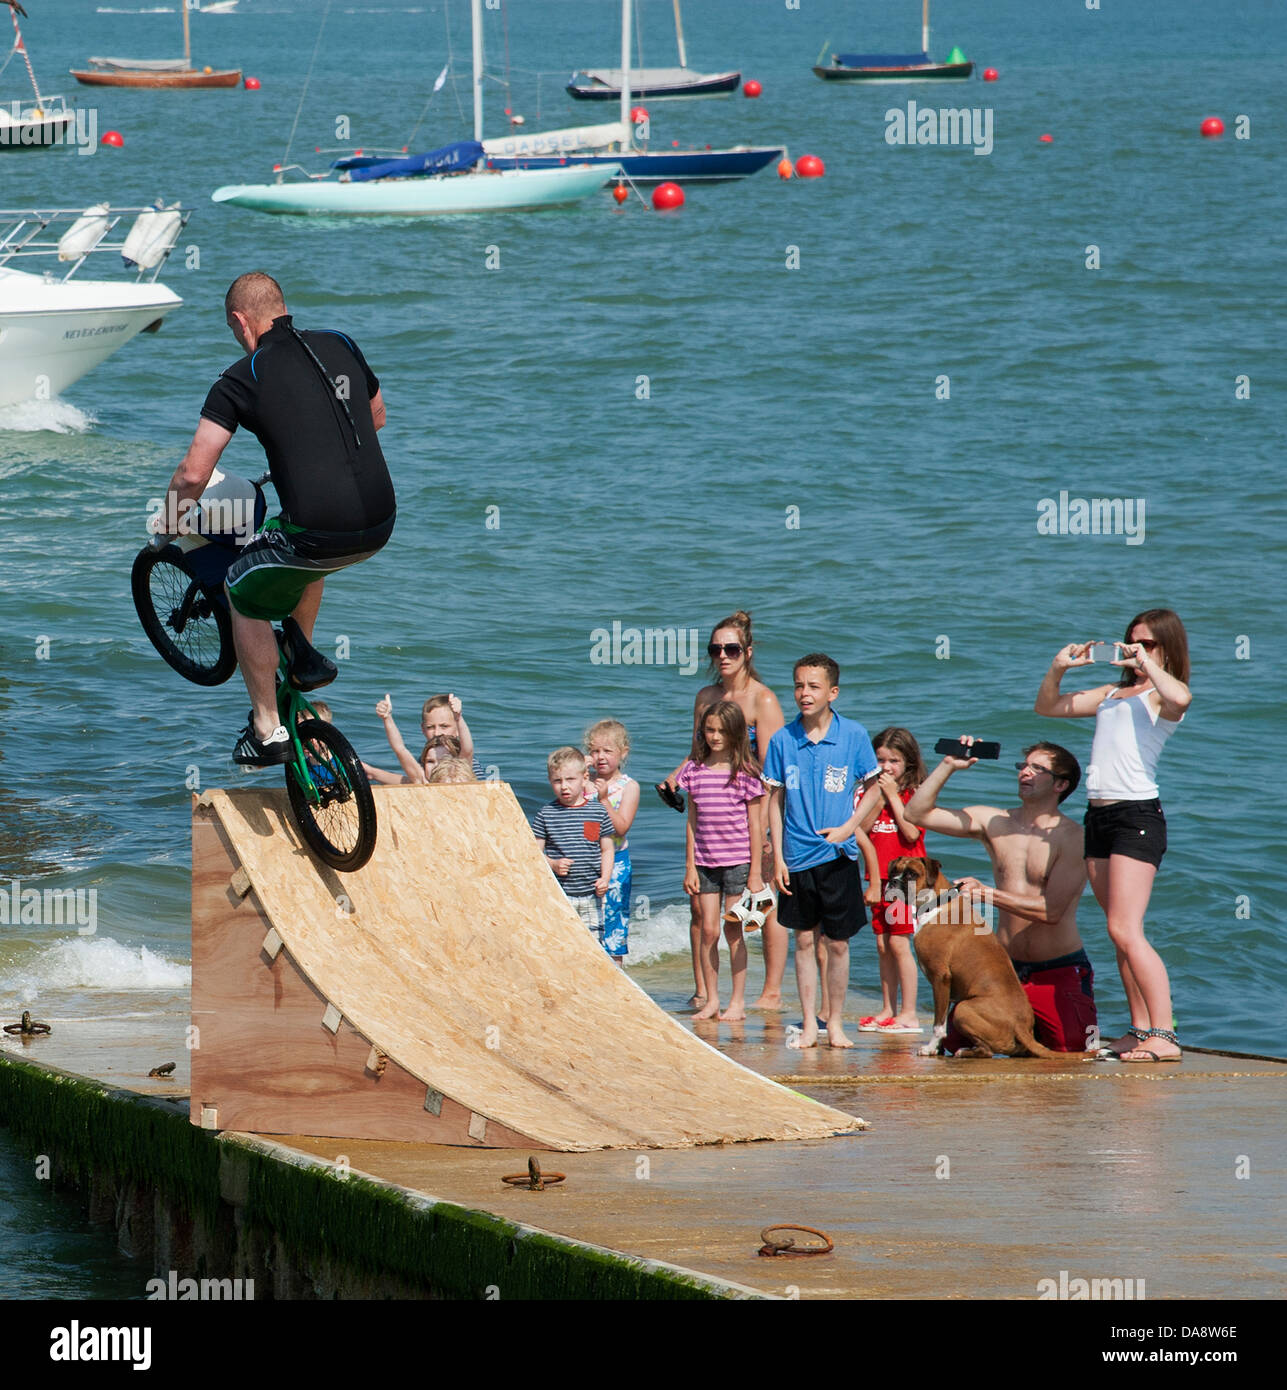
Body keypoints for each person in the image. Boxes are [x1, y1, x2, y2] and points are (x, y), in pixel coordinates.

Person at [153, 272, 395, 766]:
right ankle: (301, 652)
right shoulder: (341, 343)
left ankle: (266, 728)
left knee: (243, 586)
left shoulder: (242, 376)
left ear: (241, 321)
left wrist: (168, 525)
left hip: (322, 531)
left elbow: (194, 471)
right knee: (302, 547)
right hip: (381, 521)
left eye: (232, 328)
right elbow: (376, 416)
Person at [1034, 610, 1191, 1062]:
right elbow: (1047, 707)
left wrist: (1150, 665)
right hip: (1098, 816)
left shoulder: (1161, 697)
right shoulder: (1111, 693)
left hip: (1136, 816)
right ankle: (1140, 1031)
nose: (1135, 649)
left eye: (1148, 643)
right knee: (1118, 932)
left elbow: (1182, 694)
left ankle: (1165, 1034)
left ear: (1165, 648)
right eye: (1131, 641)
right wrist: (1059, 667)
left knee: (1126, 929)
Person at [905, 739, 1097, 1054]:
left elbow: (1052, 912)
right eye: (1023, 766)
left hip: (1056, 969)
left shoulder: (1073, 838)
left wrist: (987, 894)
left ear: (1061, 784)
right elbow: (916, 812)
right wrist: (949, 766)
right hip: (1002, 971)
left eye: (1038, 768)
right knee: (956, 1043)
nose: (1025, 772)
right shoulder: (994, 821)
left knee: (1072, 1049)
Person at [663, 611, 787, 1009]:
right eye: (715, 649)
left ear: (747, 652)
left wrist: (767, 832)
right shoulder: (706, 697)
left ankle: (769, 992)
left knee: (759, 908)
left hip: (752, 811)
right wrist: (676, 776)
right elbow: (699, 752)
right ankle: (704, 991)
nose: (722, 656)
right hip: (711, 809)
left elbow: (771, 770)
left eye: (731, 648)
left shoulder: (763, 699)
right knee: (701, 911)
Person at [763, 654, 879, 1049]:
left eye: (813, 687)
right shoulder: (782, 740)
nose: (804, 694)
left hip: (838, 855)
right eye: (798, 685)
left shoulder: (854, 736)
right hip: (795, 856)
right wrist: (776, 855)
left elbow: (876, 788)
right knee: (803, 941)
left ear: (832, 692)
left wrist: (849, 827)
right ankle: (810, 1024)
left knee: (839, 943)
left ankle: (836, 1024)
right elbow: (774, 802)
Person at [676, 701, 767, 1022]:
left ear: (735, 733)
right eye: (709, 730)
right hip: (704, 862)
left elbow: (756, 826)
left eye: (721, 731)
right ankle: (712, 1000)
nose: (714, 737)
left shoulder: (746, 773)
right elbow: (691, 821)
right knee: (709, 931)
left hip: (738, 863)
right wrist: (689, 865)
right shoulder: (693, 771)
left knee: (734, 931)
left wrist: (756, 872)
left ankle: (737, 1002)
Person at [853, 727, 928, 1035]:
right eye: (881, 759)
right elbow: (862, 828)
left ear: (908, 762)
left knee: (899, 942)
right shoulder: (872, 791)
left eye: (894, 760)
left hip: (904, 879)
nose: (886, 767)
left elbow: (911, 833)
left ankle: (909, 1013)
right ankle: (888, 1008)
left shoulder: (915, 792)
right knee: (882, 943)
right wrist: (878, 799)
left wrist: (894, 797)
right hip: (877, 876)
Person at [531, 747, 616, 950]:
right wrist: (552, 863)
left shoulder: (597, 811)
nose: (564, 787)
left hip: (591, 894)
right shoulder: (546, 814)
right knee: (562, 945)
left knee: (594, 947)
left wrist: (605, 877)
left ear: (584, 777)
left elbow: (607, 849)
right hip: (560, 895)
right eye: (557, 781)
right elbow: (534, 853)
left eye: (570, 779)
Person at [585, 720, 639, 963]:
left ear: (623, 752)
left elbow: (621, 827)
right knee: (585, 920)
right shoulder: (583, 782)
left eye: (608, 751)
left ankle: (617, 973)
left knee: (613, 921)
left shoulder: (629, 787)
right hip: (587, 861)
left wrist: (604, 799)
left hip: (616, 861)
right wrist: (581, 772)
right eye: (595, 751)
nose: (601, 757)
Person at [365, 692, 480, 784]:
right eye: (430, 727)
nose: (437, 733)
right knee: (415, 782)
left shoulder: (461, 766)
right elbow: (400, 749)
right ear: (423, 729)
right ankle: (371, 773)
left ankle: (372, 773)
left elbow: (468, 749)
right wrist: (387, 718)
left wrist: (459, 717)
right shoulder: (424, 774)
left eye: (444, 726)